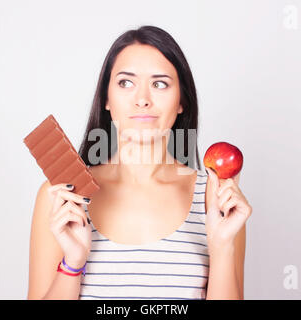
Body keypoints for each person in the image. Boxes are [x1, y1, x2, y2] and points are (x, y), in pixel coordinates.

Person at [27, 25, 252, 300]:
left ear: (181, 100)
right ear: (107, 99)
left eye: (160, 84)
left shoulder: (215, 199)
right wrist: (73, 263)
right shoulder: (61, 197)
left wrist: (222, 246)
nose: (142, 100)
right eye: (125, 83)